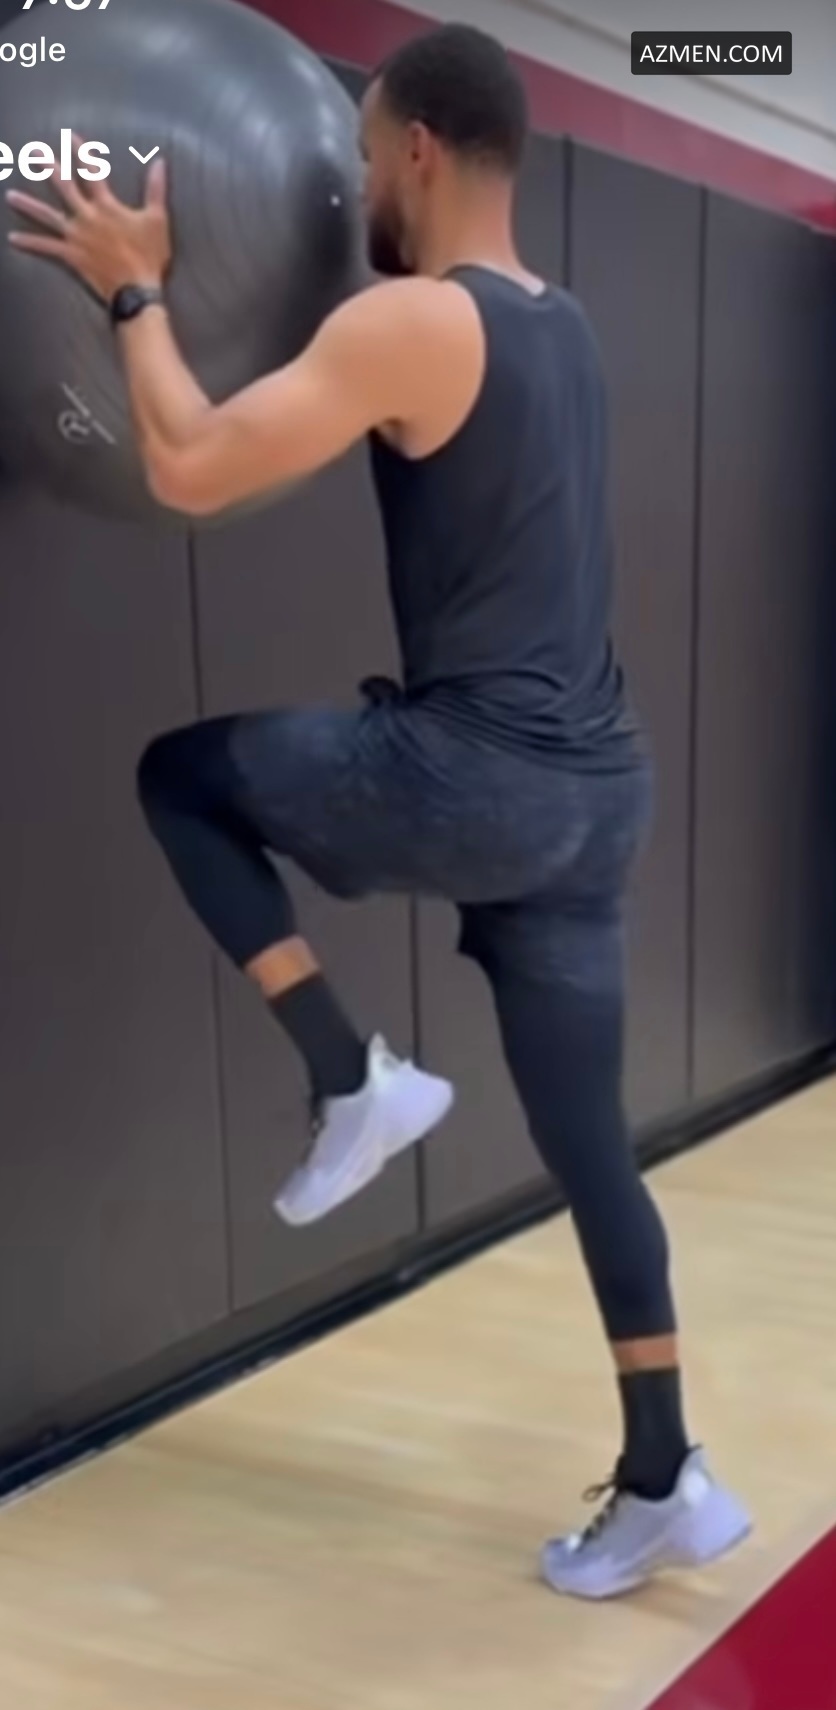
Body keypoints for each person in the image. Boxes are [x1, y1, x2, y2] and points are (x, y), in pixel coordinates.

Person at [6, 23, 751, 1598]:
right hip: (599, 794)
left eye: (360, 159)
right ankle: (664, 1475)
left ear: (416, 146)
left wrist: (135, 290)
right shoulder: (567, 326)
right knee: (591, 1150)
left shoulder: (414, 318)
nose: (354, 193)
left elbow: (190, 465)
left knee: (180, 778)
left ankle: (352, 1076)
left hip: (480, 775)